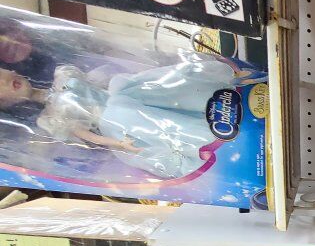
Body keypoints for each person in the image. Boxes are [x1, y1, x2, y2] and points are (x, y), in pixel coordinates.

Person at [0, 57, 256, 180]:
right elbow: (86, 135)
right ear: (6, 104)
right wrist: (120, 144)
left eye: (2, 73)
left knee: (178, 91)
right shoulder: (50, 118)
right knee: (163, 126)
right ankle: (225, 137)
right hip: (118, 121)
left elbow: (97, 82)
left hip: (124, 93)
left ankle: (234, 95)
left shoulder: (62, 75)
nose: (6, 79)